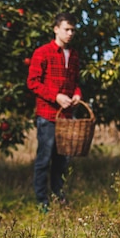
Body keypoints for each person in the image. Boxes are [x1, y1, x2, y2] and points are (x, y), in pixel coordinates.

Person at [26, 12, 82, 211]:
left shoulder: (73, 55)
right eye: (66, 29)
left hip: (66, 117)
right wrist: (56, 96)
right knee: (44, 158)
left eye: (73, 30)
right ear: (56, 29)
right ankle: (42, 200)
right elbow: (32, 82)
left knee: (62, 159)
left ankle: (58, 196)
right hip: (47, 115)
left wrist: (77, 94)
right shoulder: (43, 52)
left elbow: (75, 82)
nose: (70, 34)